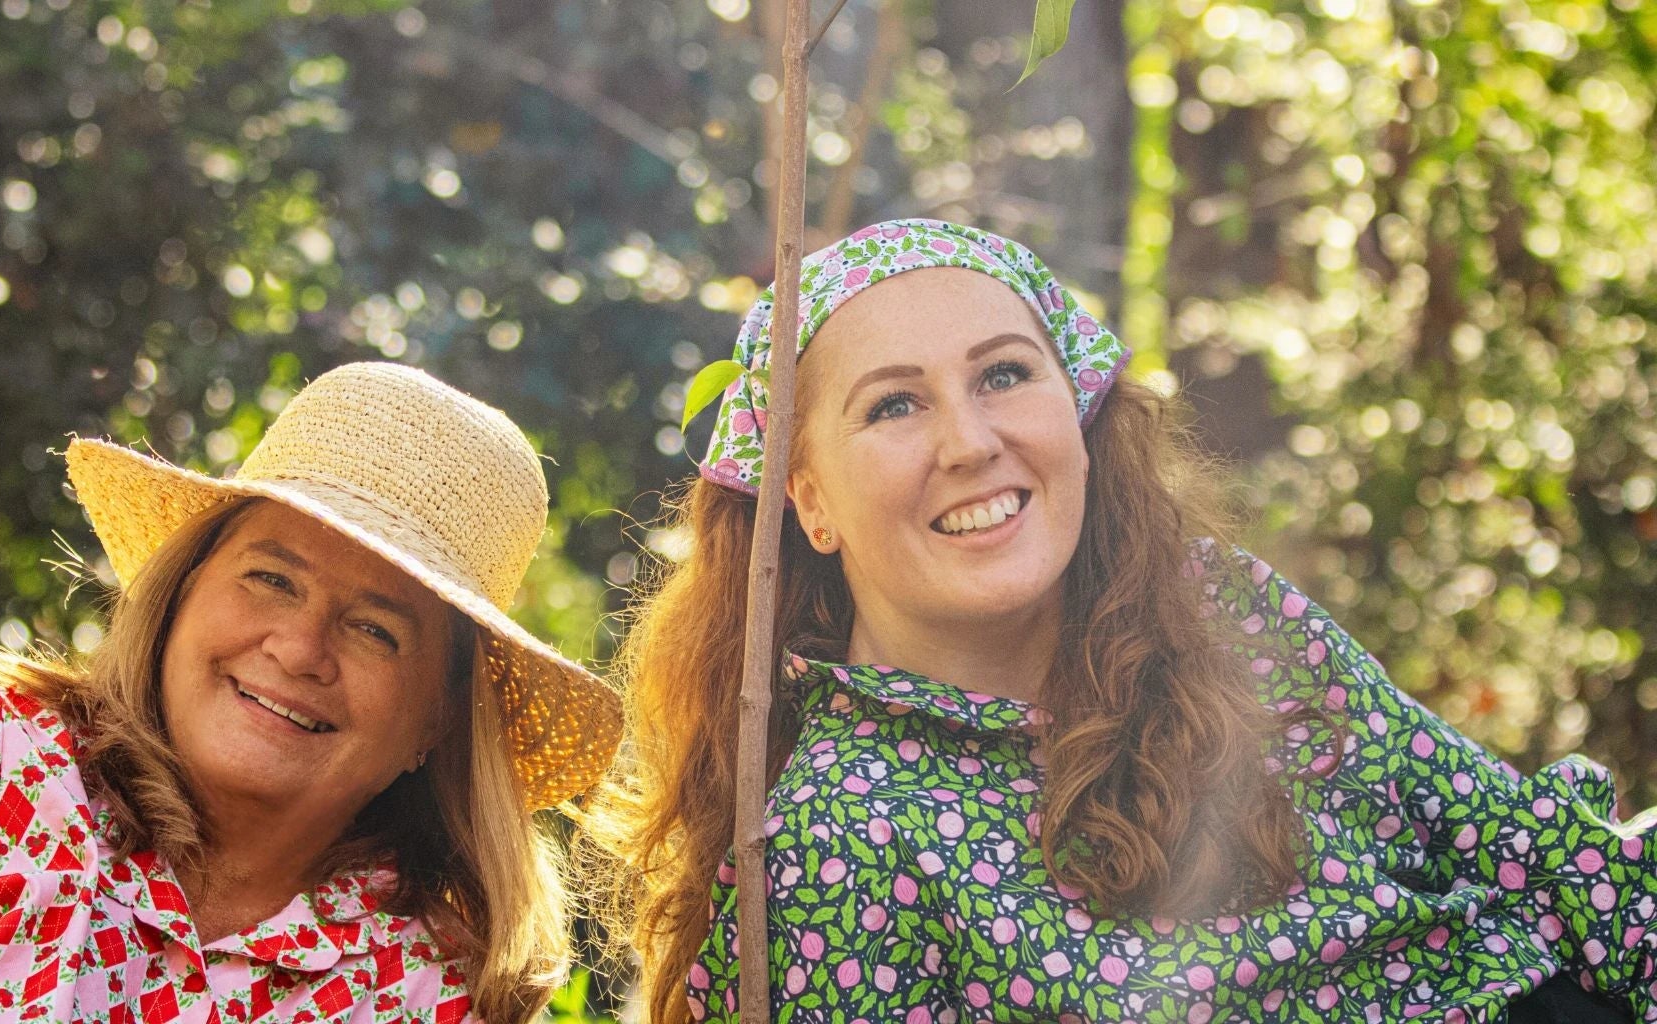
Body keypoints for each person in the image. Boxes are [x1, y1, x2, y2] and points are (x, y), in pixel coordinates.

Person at [586, 219, 1655, 1023]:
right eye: (894, 404)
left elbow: (1514, 842)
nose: (969, 441)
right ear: (805, 499)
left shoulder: (1216, 605)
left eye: (1004, 373)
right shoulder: (831, 845)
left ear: (1077, 412)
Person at [0, 361, 621, 1024]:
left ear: (433, 723)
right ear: (179, 595)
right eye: (270, 577)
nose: (298, 645)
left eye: (373, 628)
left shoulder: (418, 990)